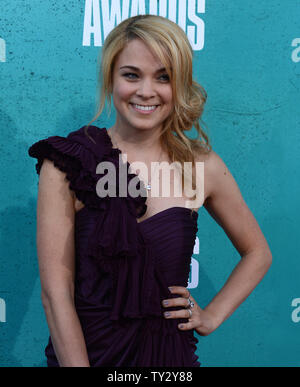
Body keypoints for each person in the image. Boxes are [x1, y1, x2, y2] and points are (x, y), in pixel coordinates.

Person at [28, 14, 272, 367]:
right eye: (131, 75)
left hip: (168, 359)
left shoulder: (200, 165)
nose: (146, 91)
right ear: (111, 78)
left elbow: (258, 253)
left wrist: (211, 316)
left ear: (181, 84)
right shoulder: (69, 162)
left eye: (164, 77)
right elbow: (56, 294)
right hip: (89, 357)